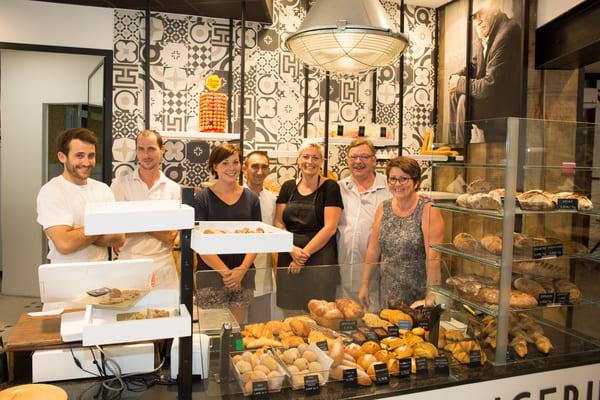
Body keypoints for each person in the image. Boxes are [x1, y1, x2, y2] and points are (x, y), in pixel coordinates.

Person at [359, 157, 443, 309]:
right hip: (387, 291)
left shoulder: (428, 209)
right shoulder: (383, 208)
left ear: (416, 182)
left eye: (404, 179)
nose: (397, 184)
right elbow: (373, 250)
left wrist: (431, 295)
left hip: (417, 294)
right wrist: (364, 285)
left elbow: (434, 257)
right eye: (393, 179)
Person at [193, 144, 261, 324]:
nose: (231, 168)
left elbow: (258, 239)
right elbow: (200, 243)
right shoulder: (202, 199)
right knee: (213, 335)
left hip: (244, 275)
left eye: (235, 162)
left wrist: (241, 271)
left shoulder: (251, 199)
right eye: (225, 163)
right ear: (214, 166)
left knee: (234, 333)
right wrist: (227, 274)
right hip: (210, 275)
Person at [36, 128, 124, 264]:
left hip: (102, 274)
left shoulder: (103, 189)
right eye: (79, 156)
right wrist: (102, 226)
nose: (87, 162)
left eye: (91, 156)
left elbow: (118, 238)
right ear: (62, 157)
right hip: (67, 276)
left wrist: (78, 230)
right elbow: (65, 244)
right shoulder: (51, 191)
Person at [274, 143, 343, 313]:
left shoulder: (330, 187)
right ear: (298, 160)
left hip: (319, 258)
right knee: (290, 314)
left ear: (322, 161)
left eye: (315, 157)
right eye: (305, 156)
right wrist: (291, 249)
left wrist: (302, 257)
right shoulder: (288, 186)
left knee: (320, 314)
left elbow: (330, 228)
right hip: (289, 255)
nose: (310, 161)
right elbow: (278, 223)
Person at [111, 130, 181, 289]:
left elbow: (170, 236)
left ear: (162, 150)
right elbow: (116, 233)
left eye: (151, 149)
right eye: (141, 149)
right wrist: (156, 225)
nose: (146, 155)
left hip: (163, 265)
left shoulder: (173, 189)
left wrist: (134, 222)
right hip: (128, 264)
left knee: (166, 313)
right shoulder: (120, 185)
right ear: (136, 152)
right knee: (127, 314)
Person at [448, 0, 521, 143]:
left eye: (481, 13)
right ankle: (454, 146)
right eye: (474, 17)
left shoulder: (507, 33)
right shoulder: (484, 32)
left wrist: (460, 82)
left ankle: (462, 150)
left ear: (494, 9)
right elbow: (474, 66)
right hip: (489, 100)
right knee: (455, 91)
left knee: (464, 100)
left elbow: (489, 86)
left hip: (502, 108)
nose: (478, 20)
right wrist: (455, 77)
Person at [336, 139, 390, 310]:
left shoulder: (389, 188)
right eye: (353, 157)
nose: (358, 162)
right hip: (341, 274)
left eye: (364, 156)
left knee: (373, 326)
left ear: (374, 160)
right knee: (345, 326)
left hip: (377, 278)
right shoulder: (339, 188)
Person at [243, 150, 277, 322]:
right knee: (235, 329)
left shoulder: (272, 199)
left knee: (260, 326)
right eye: (255, 166)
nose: (259, 171)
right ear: (244, 169)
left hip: (263, 273)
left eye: (264, 167)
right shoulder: (235, 196)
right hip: (238, 272)